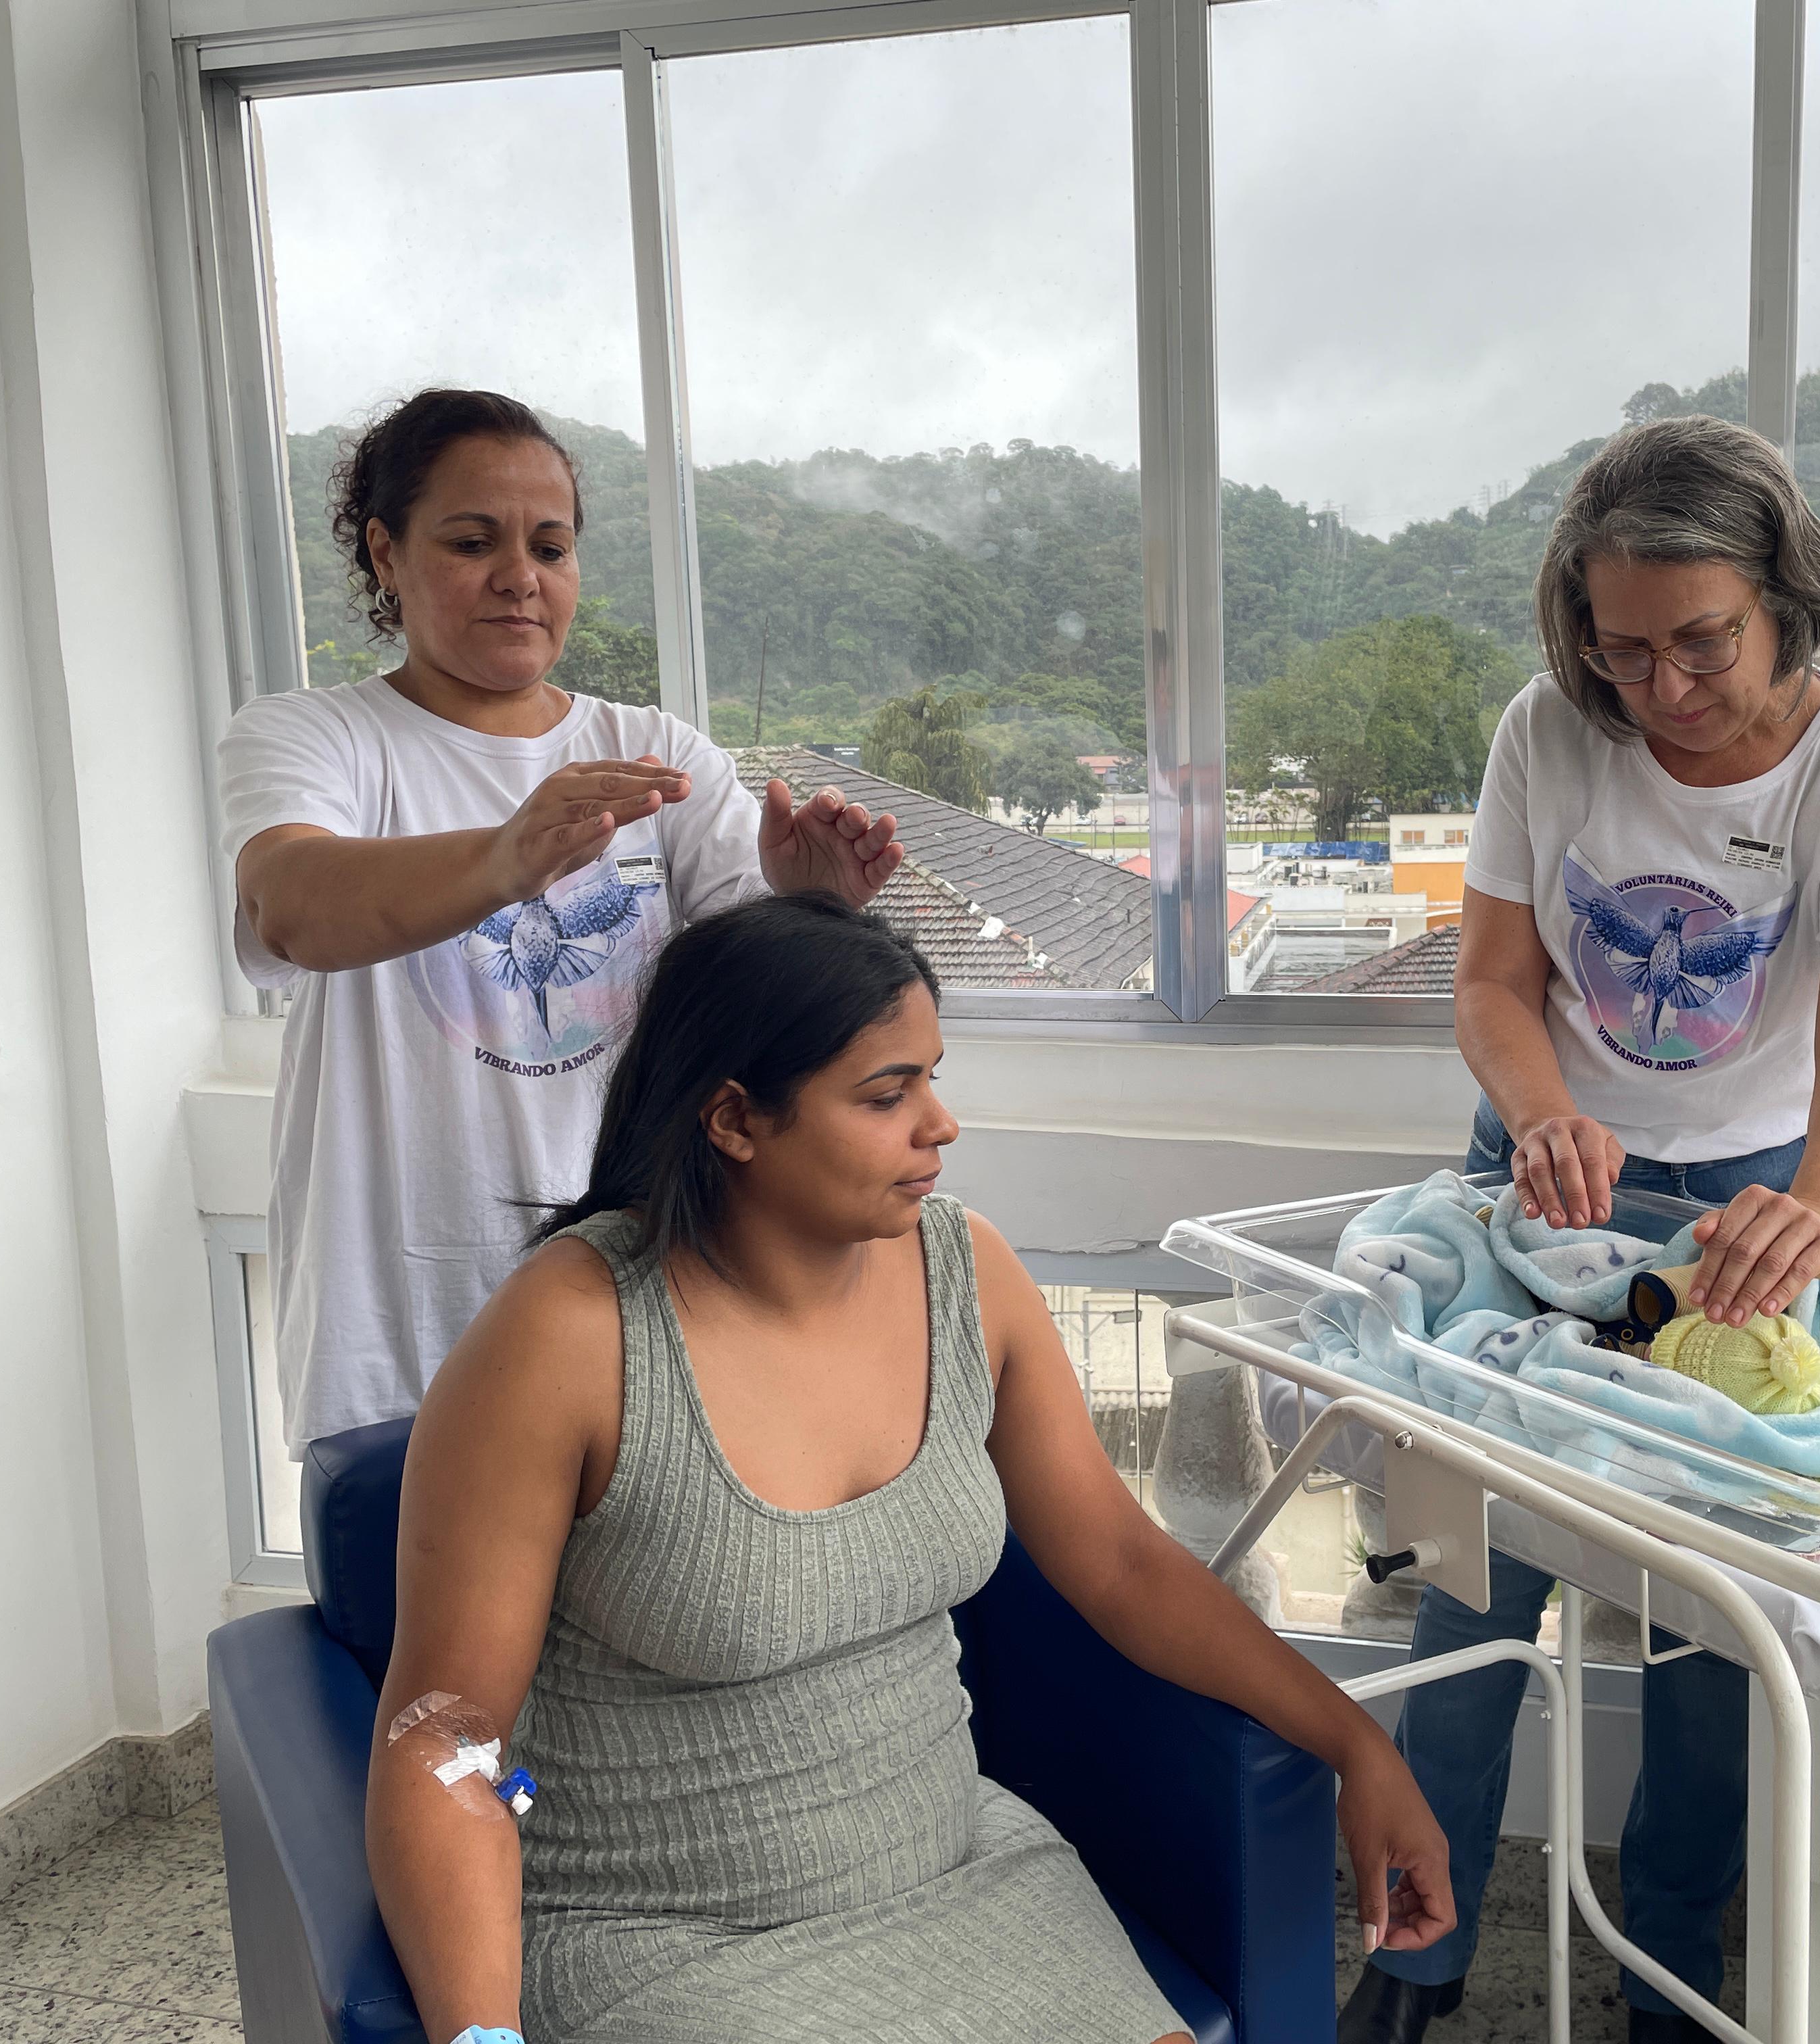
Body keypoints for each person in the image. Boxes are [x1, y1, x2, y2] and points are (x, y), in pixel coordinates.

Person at [367, 893, 1458, 2043]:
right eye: (887, 1096)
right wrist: (481, 2037)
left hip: (963, 1871)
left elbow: (1125, 1564)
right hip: (660, 1935)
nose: (940, 1126)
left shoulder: (967, 1273)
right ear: (735, 1119)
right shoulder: (568, 1339)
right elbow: (443, 1733)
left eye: (932, 1079)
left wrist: (1355, 1743)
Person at [1337, 416, 1820, 2044]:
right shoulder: (1551, 729)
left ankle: (1669, 1977)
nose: (1662, 688)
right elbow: (1493, 981)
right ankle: (1416, 1958)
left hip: (1753, 1200)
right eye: (1622, 650)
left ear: (1784, 602)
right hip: (1545, 1174)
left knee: (1713, 1630)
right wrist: (1541, 1114)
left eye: (1702, 643)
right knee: (1470, 1585)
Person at [218, 388, 903, 1453]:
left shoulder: (654, 751)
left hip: (636, 1307)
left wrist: (809, 904)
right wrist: (508, 857)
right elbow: (293, 905)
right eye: (471, 542)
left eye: (550, 546)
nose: (520, 577)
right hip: (393, 1329)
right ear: (385, 553)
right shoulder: (316, 738)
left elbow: (752, 1015)